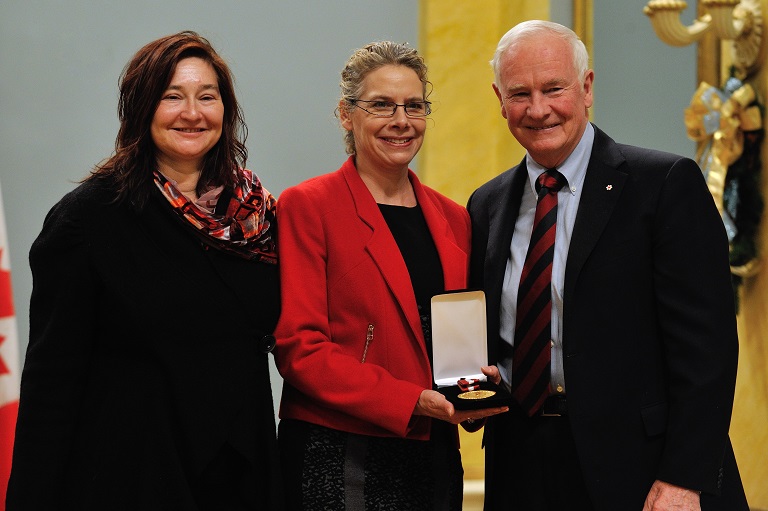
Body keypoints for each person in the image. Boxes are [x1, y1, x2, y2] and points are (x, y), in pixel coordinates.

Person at [467, 20, 749, 511]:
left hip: (644, 471)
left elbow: (708, 351)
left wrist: (684, 477)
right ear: (498, 98)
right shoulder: (486, 204)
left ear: (587, 87)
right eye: (520, 93)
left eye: (554, 88)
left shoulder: (664, 186)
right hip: (520, 468)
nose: (538, 109)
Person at [6, 31, 282, 510]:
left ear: (226, 110)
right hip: (133, 476)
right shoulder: (88, 218)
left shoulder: (253, 215)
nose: (192, 113)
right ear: (140, 108)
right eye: (171, 96)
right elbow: (52, 383)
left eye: (207, 97)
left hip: (240, 476)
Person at [274, 41, 507, 510]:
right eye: (381, 105)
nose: (401, 121)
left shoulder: (454, 218)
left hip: (435, 449)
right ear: (346, 114)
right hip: (340, 448)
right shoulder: (308, 206)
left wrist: (476, 392)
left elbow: (454, 342)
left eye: (414, 106)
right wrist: (411, 400)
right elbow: (300, 348)